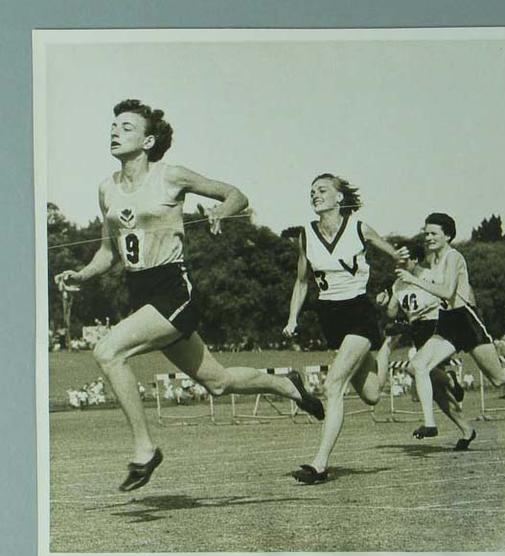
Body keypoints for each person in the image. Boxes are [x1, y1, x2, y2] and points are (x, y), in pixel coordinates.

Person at [54, 99, 323, 492]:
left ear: (148, 141)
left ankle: (145, 449)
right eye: (114, 125)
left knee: (108, 351)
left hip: (172, 290)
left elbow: (236, 195)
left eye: (126, 127)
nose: (115, 131)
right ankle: (287, 386)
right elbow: (109, 253)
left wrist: (219, 212)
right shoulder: (106, 189)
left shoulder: (170, 176)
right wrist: (82, 273)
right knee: (217, 382)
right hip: (140, 294)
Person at [283, 173, 408, 484]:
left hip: (359, 312)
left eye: (322, 190)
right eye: (312, 191)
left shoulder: (358, 227)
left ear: (339, 197)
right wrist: (292, 319)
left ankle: (320, 464)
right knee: (371, 395)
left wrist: (396, 270)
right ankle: (389, 346)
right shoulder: (306, 235)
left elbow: (394, 255)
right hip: (330, 317)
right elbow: (301, 282)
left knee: (333, 386)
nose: (315, 195)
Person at [398, 213, 505, 450]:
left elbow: (448, 291)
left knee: (498, 378)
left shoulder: (453, 256)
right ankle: (430, 423)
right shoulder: (433, 260)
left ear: (447, 235)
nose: (428, 237)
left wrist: (414, 280)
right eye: (426, 233)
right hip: (446, 323)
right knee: (417, 366)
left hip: (466, 322)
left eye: (433, 233)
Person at [377, 240, 465, 424]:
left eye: (403, 260)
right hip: (416, 329)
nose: (398, 264)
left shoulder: (430, 276)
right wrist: (385, 301)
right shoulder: (398, 284)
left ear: (415, 259)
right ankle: (450, 384)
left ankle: (438, 413)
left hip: (434, 324)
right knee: (425, 372)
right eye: (397, 260)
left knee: (417, 368)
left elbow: (446, 296)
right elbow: (392, 311)